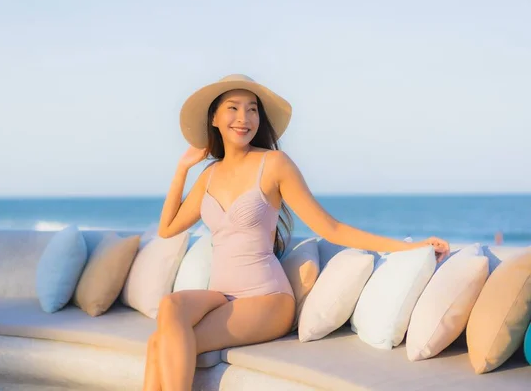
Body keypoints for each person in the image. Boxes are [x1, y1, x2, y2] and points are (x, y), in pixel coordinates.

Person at [143, 74, 450, 390]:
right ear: (215, 118)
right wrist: (182, 169)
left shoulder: (273, 164)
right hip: (223, 298)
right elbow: (167, 229)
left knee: (164, 344)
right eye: (233, 108)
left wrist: (408, 246)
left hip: (267, 299)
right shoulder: (208, 176)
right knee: (170, 309)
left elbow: (330, 227)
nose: (243, 118)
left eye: (252, 110)